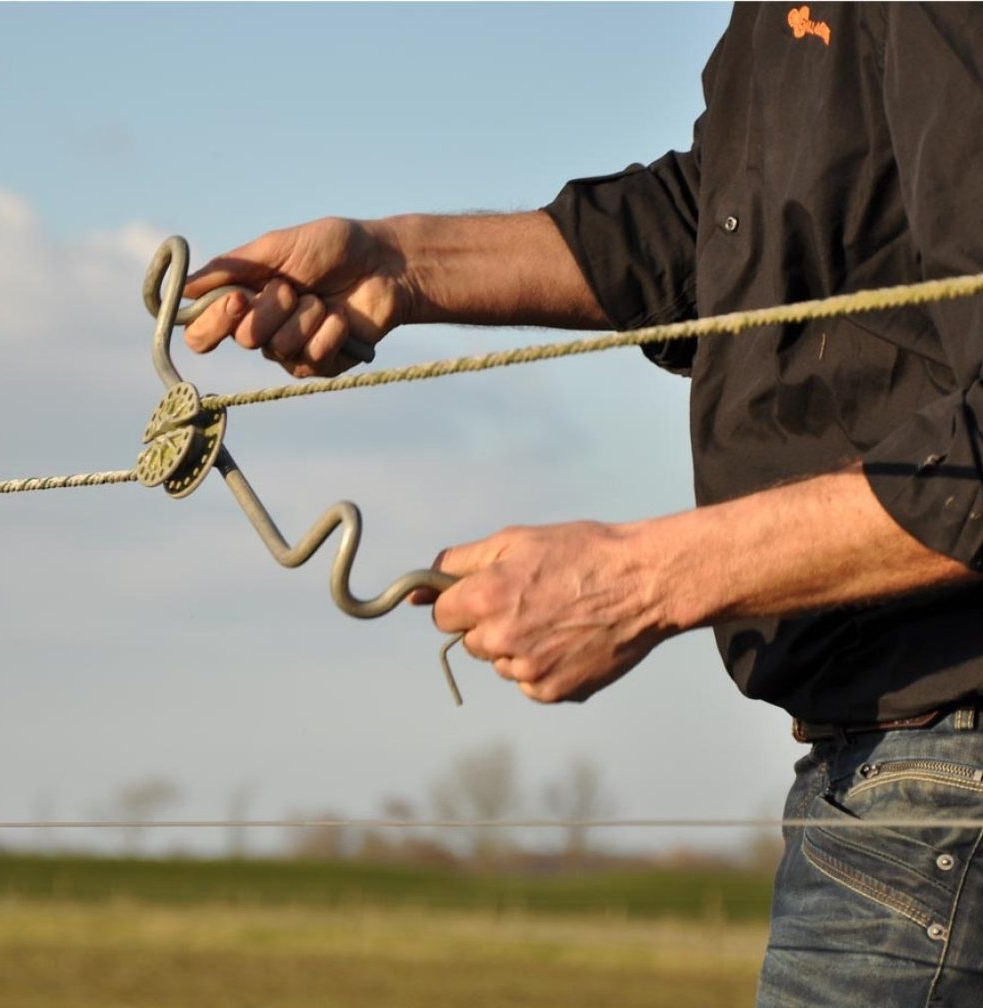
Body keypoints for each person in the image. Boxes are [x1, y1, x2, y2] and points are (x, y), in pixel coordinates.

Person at [181, 5, 983, 1004]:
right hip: (897, 778)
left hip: (947, 781)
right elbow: (730, 226)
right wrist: (399, 263)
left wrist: (635, 582)